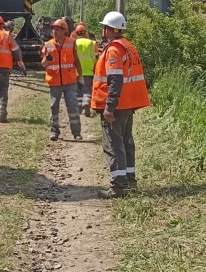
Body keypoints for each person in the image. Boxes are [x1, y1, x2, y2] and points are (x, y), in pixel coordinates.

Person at [91, 11, 149, 199]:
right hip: (128, 104)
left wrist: (109, 107)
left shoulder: (114, 50)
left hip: (117, 106)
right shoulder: (128, 47)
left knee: (114, 145)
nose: (103, 31)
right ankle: (130, 182)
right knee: (126, 142)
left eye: (104, 27)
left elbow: (115, 80)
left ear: (108, 29)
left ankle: (119, 187)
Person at [41, 19, 81, 141]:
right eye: (53, 29)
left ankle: (76, 132)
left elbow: (77, 60)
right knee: (54, 107)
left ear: (64, 31)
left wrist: (81, 76)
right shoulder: (48, 45)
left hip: (70, 81)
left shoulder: (71, 43)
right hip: (54, 81)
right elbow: (43, 64)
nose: (54, 31)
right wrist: (46, 59)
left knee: (73, 107)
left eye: (57, 29)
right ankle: (54, 131)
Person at [74, 23, 97, 118]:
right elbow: (94, 57)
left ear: (76, 33)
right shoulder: (91, 43)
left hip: (76, 71)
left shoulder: (73, 43)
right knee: (87, 88)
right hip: (89, 70)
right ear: (85, 33)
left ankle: (79, 108)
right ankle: (86, 101)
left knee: (77, 89)